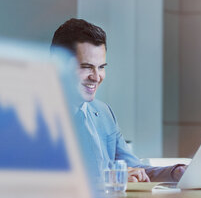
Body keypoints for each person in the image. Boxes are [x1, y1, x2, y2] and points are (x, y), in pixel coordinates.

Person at [51, 18, 185, 183]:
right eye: (86, 67)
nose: (96, 77)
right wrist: (110, 178)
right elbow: (43, 181)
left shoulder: (104, 113)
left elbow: (134, 169)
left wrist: (176, 173)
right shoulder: (36, 116)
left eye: (101, 67)